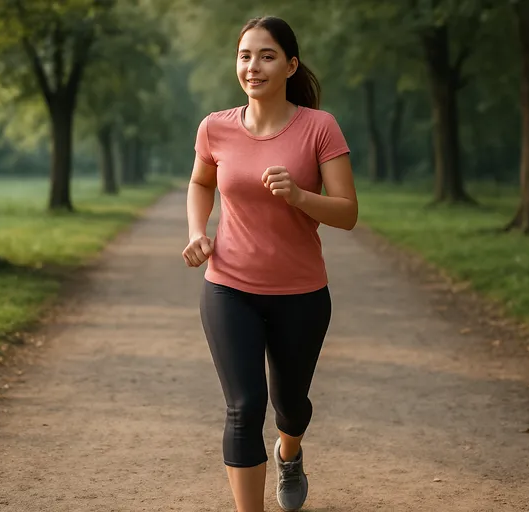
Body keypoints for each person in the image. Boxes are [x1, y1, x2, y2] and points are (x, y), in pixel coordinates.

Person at [182, 15, 358, 512]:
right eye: (245, 56)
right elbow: (200, 183)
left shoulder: (319, 127)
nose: (253, 66)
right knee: (243, 408)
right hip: (228, 287)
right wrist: (197, 232)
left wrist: (300, 196)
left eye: (266, 56)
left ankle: (290, 451)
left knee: (291, 407)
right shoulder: (215, 127)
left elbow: (347, 213)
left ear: (290, 65)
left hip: (301, 293)